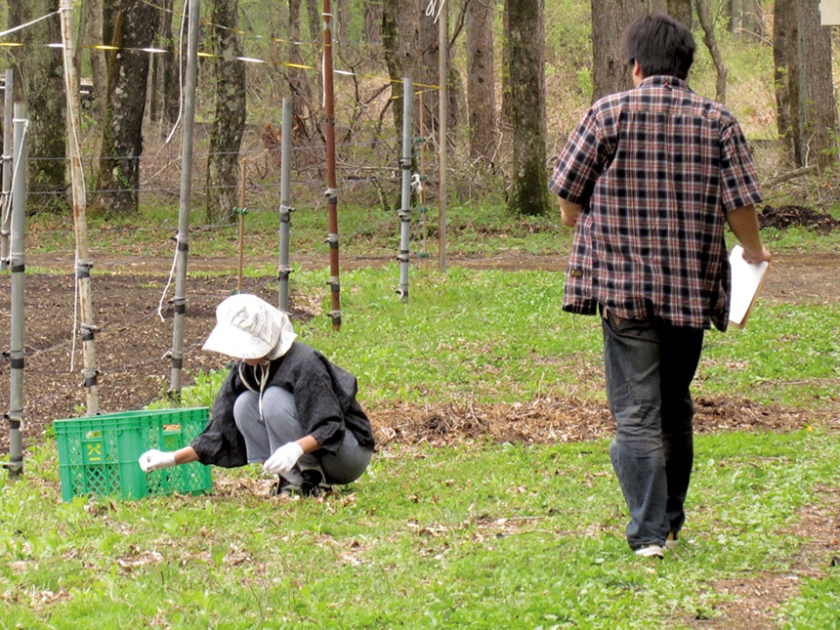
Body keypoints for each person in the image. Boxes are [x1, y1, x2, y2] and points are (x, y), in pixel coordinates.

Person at [549, 13, 771, 558]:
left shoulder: (607, 113)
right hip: (691, 291)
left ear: (636, 65)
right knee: (674, 406)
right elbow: (740, 205)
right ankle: (669, 521)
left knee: (636, 414)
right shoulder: (718, 121)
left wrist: (582, 217)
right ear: (687, 66)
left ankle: (647, 534)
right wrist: (754, 251)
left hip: (623, 293)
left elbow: (568, 199)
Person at [138, 294, 375, 497]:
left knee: (273, 399)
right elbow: (220, 430)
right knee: (243, 405)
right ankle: (293, 480)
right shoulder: (246, 370)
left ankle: (314, 477)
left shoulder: (304, 362)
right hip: (311, 452)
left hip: (345, 456)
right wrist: (171, 458)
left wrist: (295, 449)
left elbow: (331, 426)